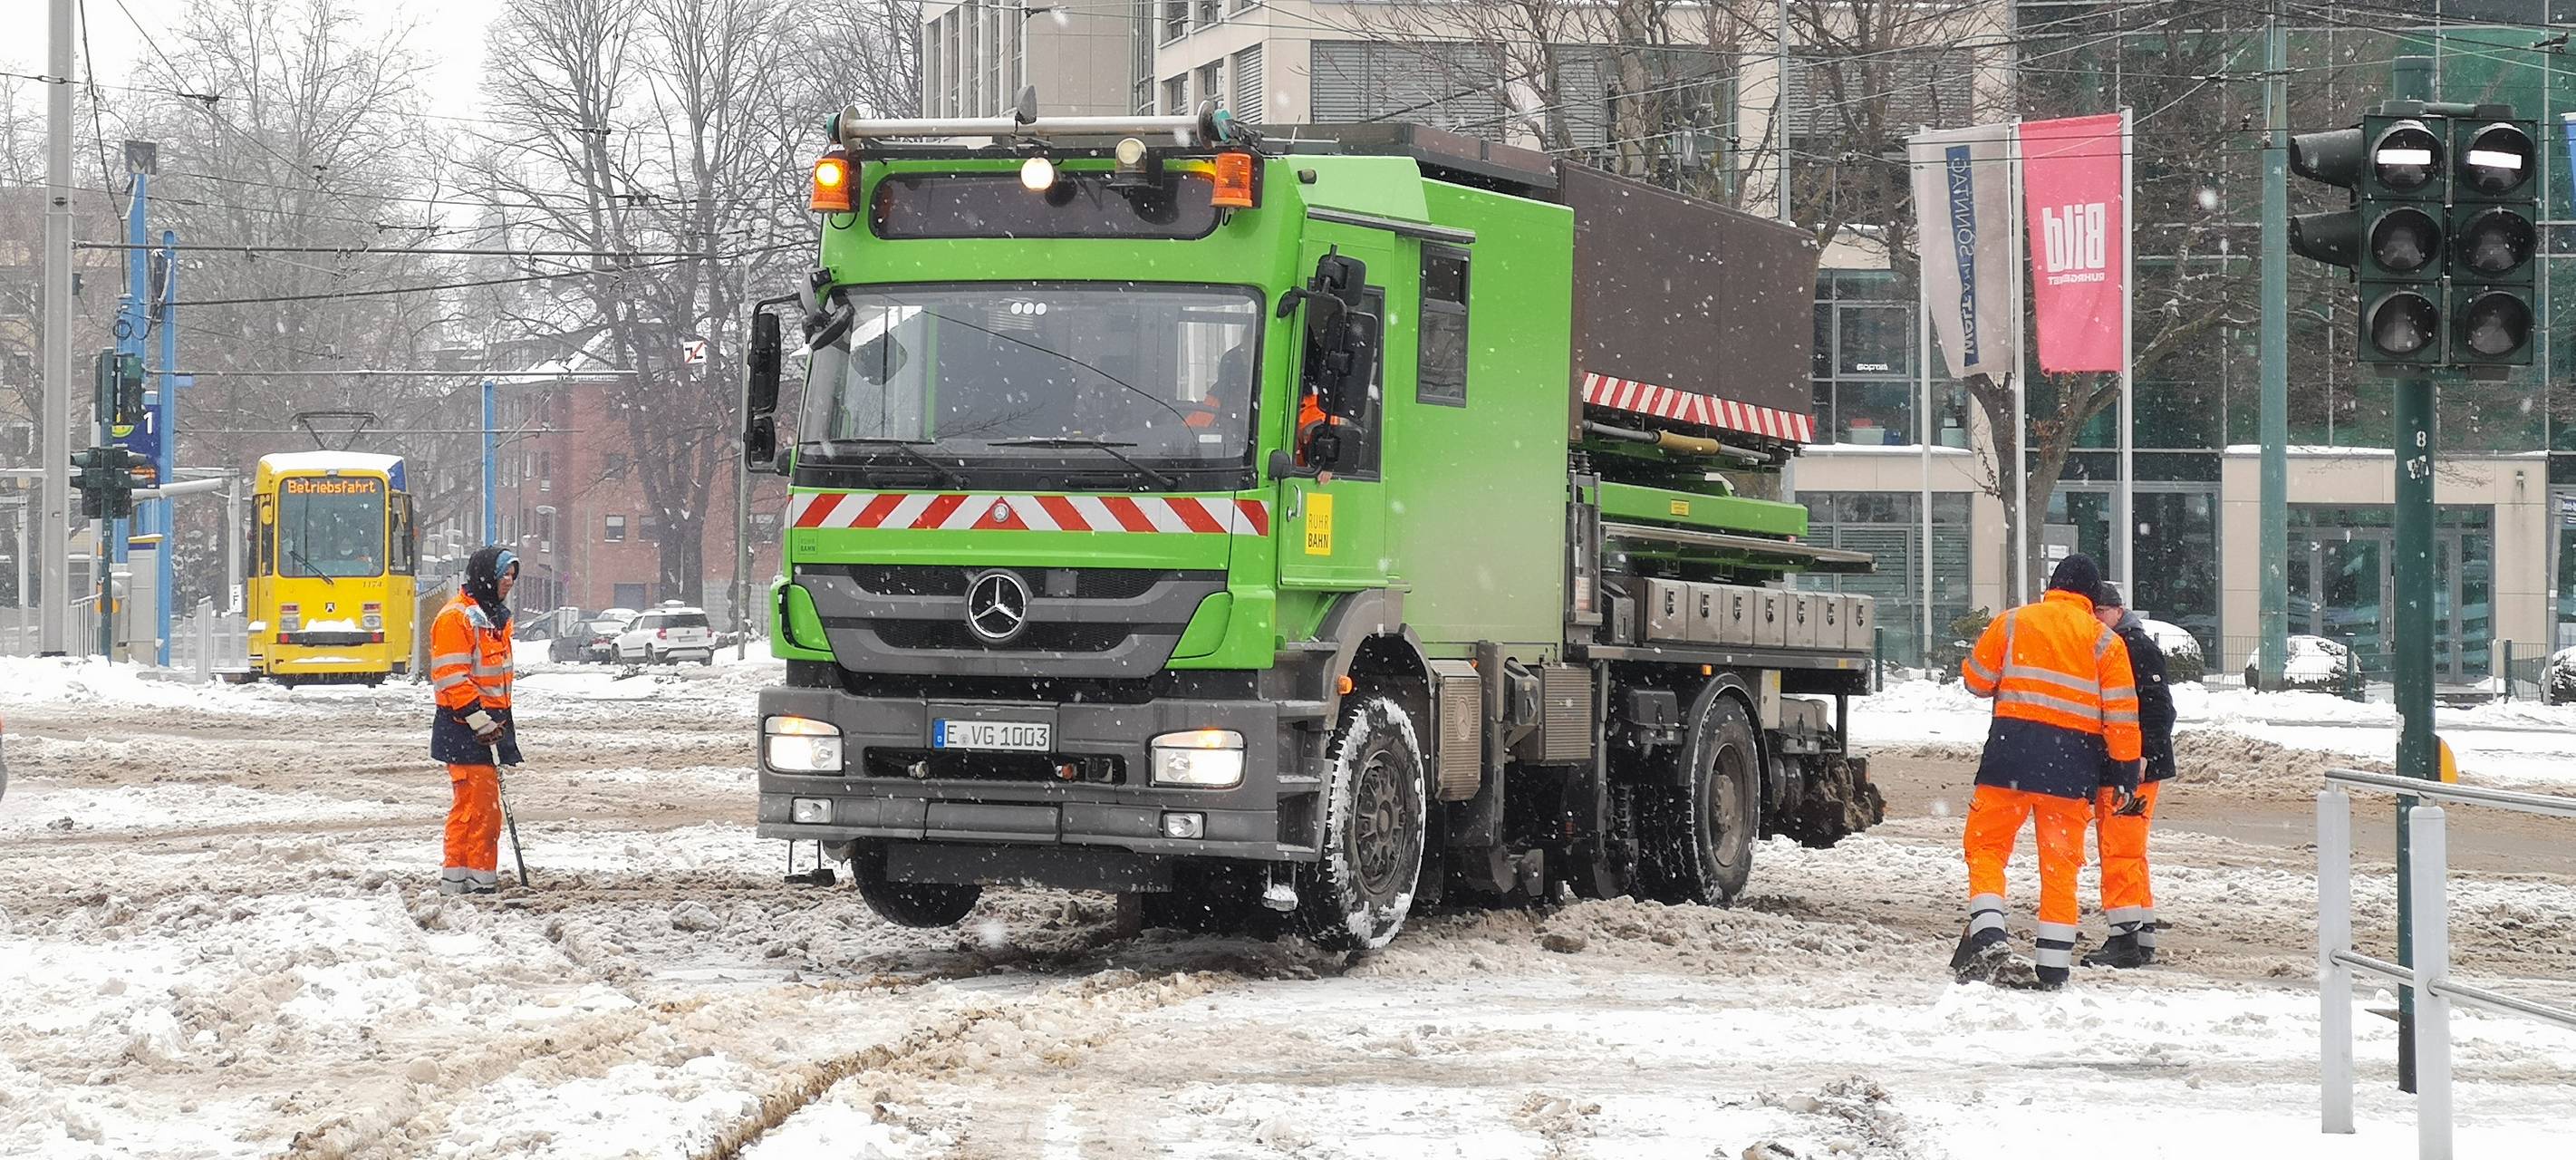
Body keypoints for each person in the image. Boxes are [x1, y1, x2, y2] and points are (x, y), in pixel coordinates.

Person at [1951, 554, 2144, 990]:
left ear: (2052, 587)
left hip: (2010, 756)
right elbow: (2122, 717)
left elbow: (1978, 681)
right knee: (2060, 867)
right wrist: (2127, 772)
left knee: (1986, 847)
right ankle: (2053, 966)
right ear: (2093, 600)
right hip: (2071, 769)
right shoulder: (2105, 644)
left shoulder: (2014, 622)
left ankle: (1988, 930)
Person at [2085, 583, 2175, 969]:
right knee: (2129, 851)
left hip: (2129, 768)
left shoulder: (2132, 648)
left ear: (2117, 611)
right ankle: (2141, 936)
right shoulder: (2126, 645)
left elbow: (2159, 710)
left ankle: (2124, 940)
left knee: (2118, 849)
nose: (2094, 621)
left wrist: (2140, 756)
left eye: (2099, 613)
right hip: (2129, 765)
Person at [429, 547, 522, 895]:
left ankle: (471, 877)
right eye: (503, 575)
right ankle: (470, 879)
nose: (509, 581)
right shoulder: (458, 618)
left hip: (489, 723)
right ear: (485, 576)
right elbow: (451, 675)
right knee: (476, 809)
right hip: (467, 724)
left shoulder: (493, 617)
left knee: (481, 807)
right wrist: (478, 718)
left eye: (513, 574)